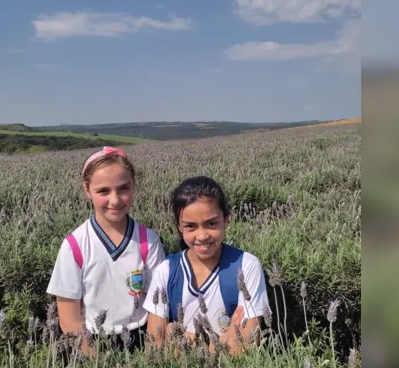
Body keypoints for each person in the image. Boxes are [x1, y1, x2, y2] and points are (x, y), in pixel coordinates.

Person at [46, 146, 166, 354]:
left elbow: (159, 304)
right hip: (91, 343)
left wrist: (151, 356)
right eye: (103, 191)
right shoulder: (75, 246)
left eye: (123, 189)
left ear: (133, 186)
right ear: (87, 190)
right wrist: (95, 363)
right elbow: (69, 318)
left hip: (142, 338)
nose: (115, 200)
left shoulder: (149, 241)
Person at [143, 175, 269, 355]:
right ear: (179, 226)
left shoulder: (247, 265)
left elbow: (246, 346)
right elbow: (154, 346)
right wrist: (224, 341)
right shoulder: (167, 270)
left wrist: (179, 337)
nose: (202, 236)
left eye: (211, 224)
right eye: (191, 226)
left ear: (226, 219)